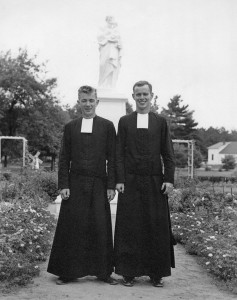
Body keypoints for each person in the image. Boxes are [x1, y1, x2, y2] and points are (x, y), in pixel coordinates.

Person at [47, 85, 117, 285]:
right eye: (84, 100)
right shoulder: (70, 127)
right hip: (75, 182)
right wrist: (63, 184)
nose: (87, 104)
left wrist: (111, 185)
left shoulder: (107, 126)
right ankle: (67, 272)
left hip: (99, 183)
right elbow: (63, 158)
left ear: (97, 102)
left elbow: (112, 158)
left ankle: (103, 272)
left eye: (91, 100)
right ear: (78, 102)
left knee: (100, 227)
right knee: (73, 227)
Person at [114, 80, 176, 287]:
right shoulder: (124, 121)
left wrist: (168, 179)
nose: (142, 98)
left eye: (145, 94)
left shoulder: (160, 122)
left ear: (151, 96)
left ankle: (156, 273)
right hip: (130, 182)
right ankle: (129, 273)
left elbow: (168, 154)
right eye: (138, 94)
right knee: (130, 227)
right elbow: (118, 154)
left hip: (154, 182)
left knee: (154, 227)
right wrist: (119, 179)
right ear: (133, 97)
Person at [97, 16, 122, 89]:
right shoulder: (102, 29)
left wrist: (116, 40)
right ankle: (102, 84)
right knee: (103, 64)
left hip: (114, 50)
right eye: (109, 20)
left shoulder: (117, 31)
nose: (111, 24)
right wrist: (108, 36)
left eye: (112, 22)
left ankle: (111, 85)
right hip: (106, 49)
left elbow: (120, 42)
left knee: (113, 66)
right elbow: (100, 38)